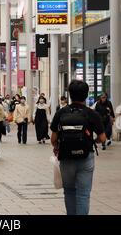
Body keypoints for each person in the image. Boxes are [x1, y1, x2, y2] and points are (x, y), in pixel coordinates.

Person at [50, 80, 106, 216]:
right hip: (85, 157)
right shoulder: (91, 114)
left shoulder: (61, 112)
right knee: (83, 194)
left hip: (66, 157)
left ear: (70, 94)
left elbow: (53, 139)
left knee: (69, 191)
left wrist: (57, 146)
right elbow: (103, 138)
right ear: (86, 95)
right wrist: (93, 141)